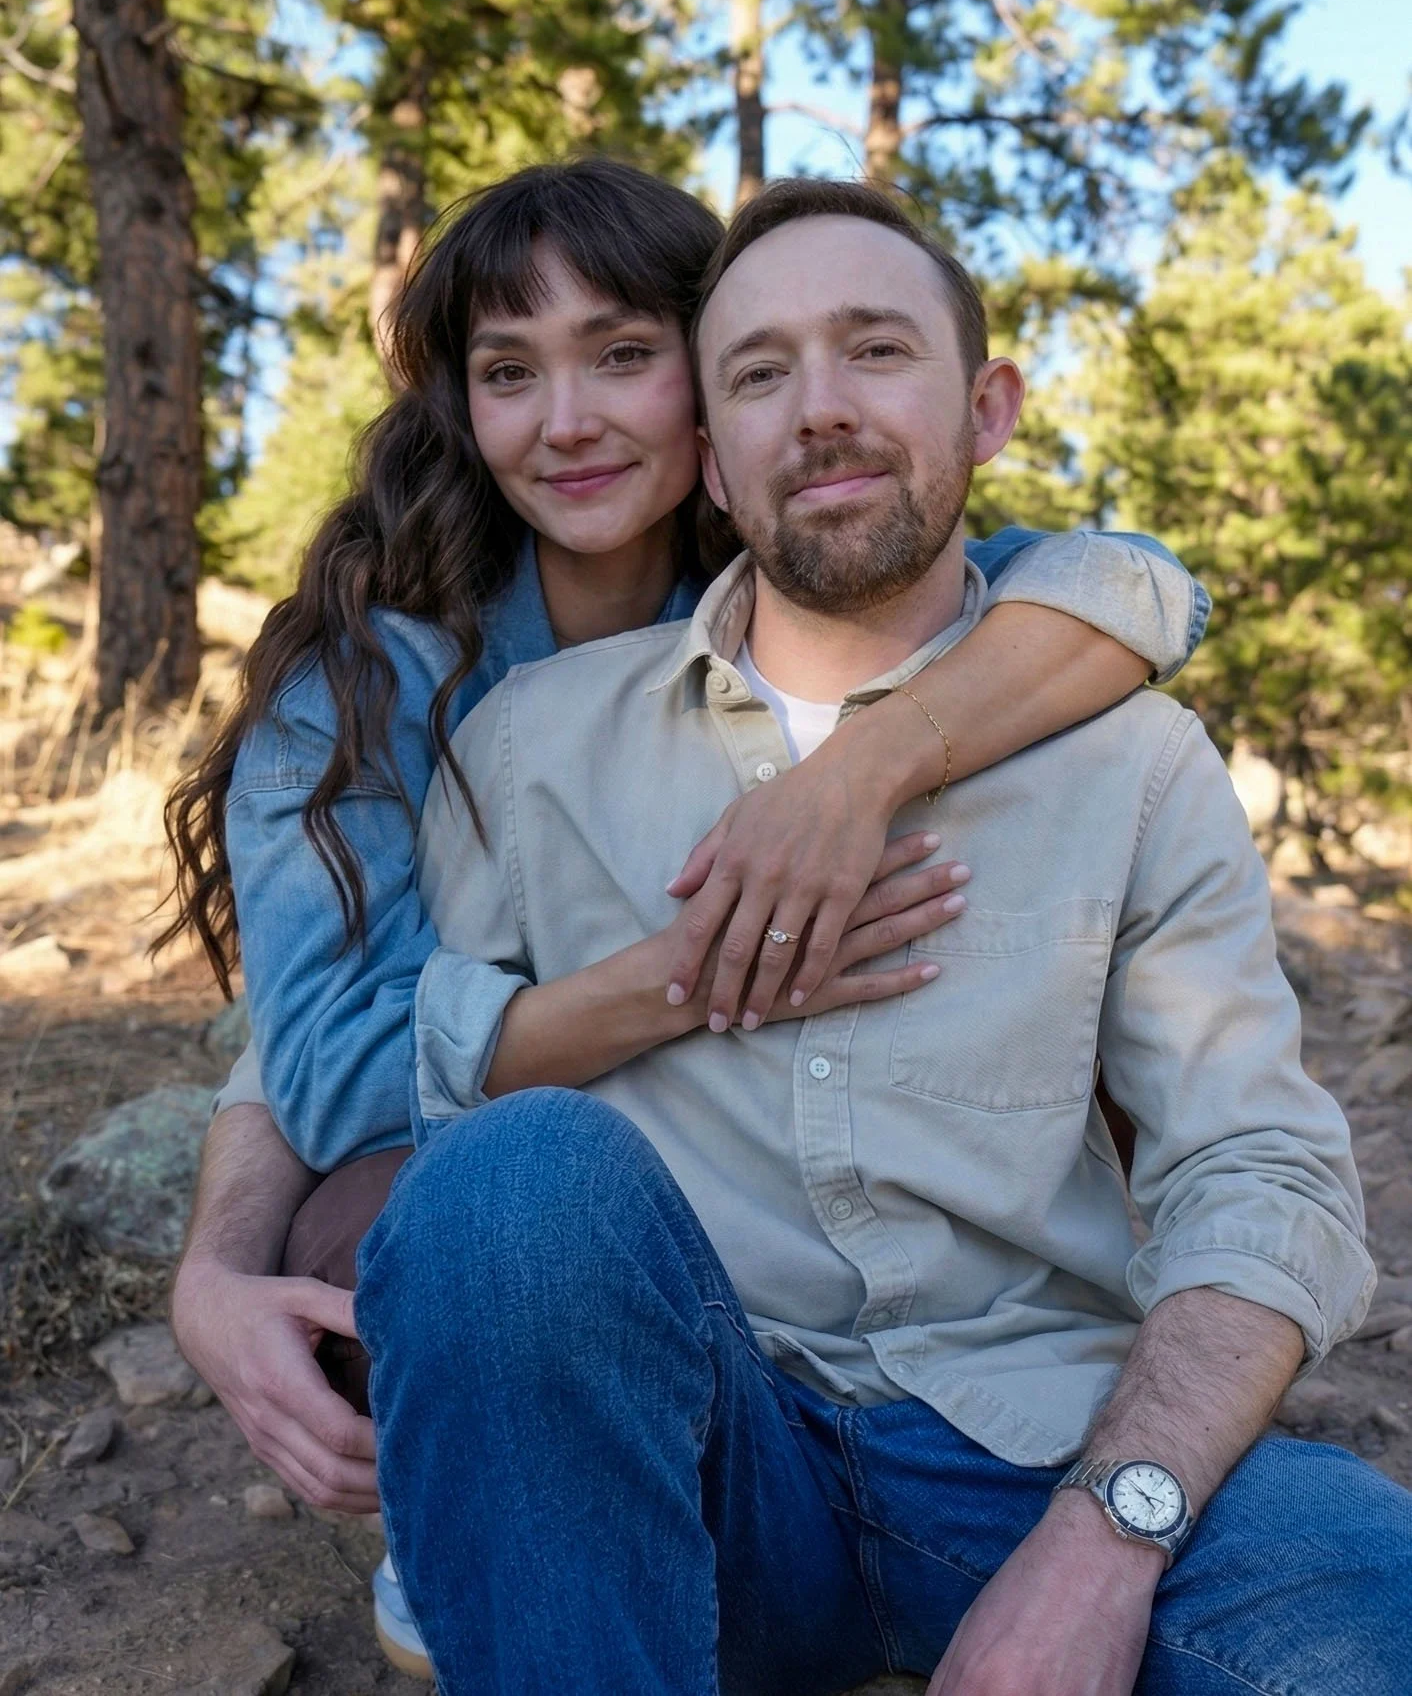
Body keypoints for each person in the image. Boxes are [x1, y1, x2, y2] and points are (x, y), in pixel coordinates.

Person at [354, 176, 1410, 1696]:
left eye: (876, 349)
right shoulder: (530, 749)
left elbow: (1261, 1171)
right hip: (698, 1462)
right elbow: (425, 1102)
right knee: (508, 1180)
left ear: (988, 410)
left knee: (1371, 1597)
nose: (823, 409)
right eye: (760, 374)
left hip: (1029, 1448)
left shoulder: (1134, 762)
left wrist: (1107, 1536)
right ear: (714, 463)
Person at [163, 161, 1206, 1679]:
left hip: (801, 1182)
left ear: (711, 390)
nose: (568, 420)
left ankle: (974, 1409)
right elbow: (323, 1058)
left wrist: (860, 773)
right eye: (510, 372)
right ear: (460, 405)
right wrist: (207, 1273)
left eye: (623, 355)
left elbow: (1141, 588)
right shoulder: (366, 684)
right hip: (536, 1181)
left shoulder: (792, 571)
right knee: (429, 1213)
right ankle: (512, 1498)